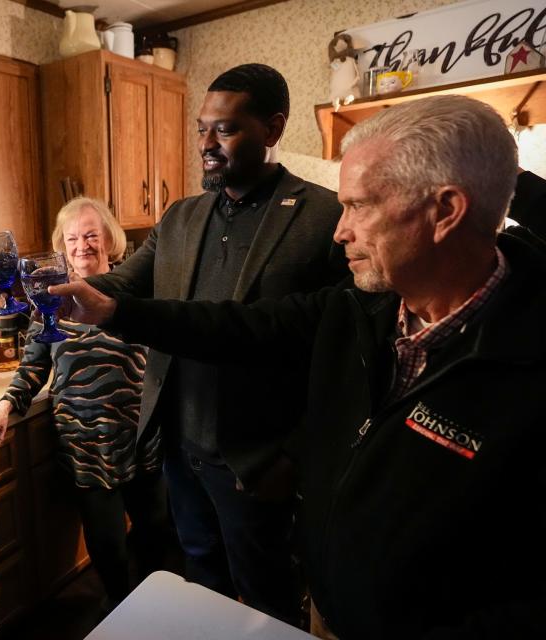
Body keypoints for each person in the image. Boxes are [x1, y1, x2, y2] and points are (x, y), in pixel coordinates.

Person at [53, 95, 545, 639]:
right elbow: (235, 327)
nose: (341, 230)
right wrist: (114, 309)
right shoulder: (358, 310)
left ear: (445, 211)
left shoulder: (527, 364)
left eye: (360, 206)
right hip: (328, 614)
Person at [84, 63, 346, 623]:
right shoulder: (180, 216)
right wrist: (67, 291)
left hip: (258, 457)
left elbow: (343, 358)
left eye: (224, 130)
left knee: (272, 594)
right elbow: (125, 283)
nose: (206, 144)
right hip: (179, 450)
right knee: (204, 583)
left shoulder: (323, 217)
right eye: (201, 128)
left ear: (273, 129)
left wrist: (295, 455)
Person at [0, 198, 168, 612]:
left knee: (156, 540)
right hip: (85, 447)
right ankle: (124, 617)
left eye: (92, 235)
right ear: (62, 244)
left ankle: (161, 614)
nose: (83, 246)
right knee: (109, 549)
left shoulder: (137, 289)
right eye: (73, 238)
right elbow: (32, 367)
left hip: (141, 439)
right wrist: (4, 407)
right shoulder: (50, 300)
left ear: (109, 239)